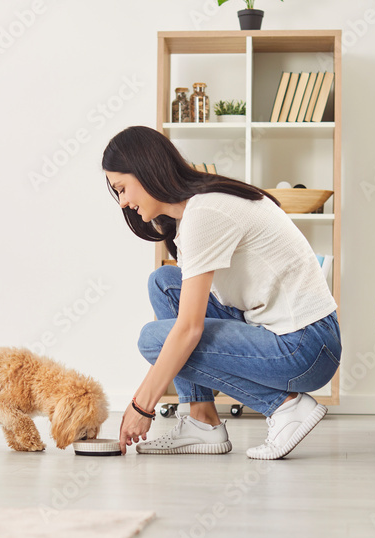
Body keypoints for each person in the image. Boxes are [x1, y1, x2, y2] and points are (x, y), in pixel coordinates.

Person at [102, 125, 341, 460]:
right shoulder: (192, 215)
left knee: (154, 340)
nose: (123, 202)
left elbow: (189, 329)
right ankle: (202, 420)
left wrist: (142, 405)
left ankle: (285, 407)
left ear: (146, 170)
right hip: (286, 335)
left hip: (307, 346)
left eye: (122, 188)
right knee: (164, 283)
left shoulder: (205, 213)